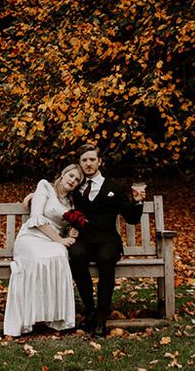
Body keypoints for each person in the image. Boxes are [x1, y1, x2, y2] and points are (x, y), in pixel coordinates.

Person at [69, 144, 145, 336]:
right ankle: (90, 311)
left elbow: (132, 219)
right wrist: (34, 195)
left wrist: (137, 201)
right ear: (79, 163)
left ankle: (102, 315)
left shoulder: (115, 187)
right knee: (75, 255)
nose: (88, 163)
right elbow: (55, 193)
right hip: (84, 239)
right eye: (84, 160)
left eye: (92, 159)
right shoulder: (75, 187)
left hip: (107, 239)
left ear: (99, 162)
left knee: (105, 259)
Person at [3, 164, 83, 337]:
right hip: (32, 237)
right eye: (71, 176)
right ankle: (28, 316)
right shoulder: (45, 186)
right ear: (62, 174)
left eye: (77, 180)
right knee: (40, 258)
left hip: (52, 241)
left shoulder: (72, 202)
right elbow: (37, 218)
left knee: (60, 255)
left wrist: (71, 232)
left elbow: (68, 226)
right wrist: (60, 240)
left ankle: (56, 318)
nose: (73, 181)